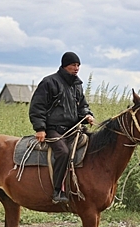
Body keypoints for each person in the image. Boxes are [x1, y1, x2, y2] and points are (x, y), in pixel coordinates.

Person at [29, 52, 95, 204]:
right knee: (63, 152)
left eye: (78, 65)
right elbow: (37, 107)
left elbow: (83, 106)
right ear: (65, 65)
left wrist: (87, 115)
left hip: (72, 129)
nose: (76, 68)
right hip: (54, 129)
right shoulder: (49, 82)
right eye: (73, 65)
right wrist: (40, 128)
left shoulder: (77, 85)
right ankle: (57, 190)